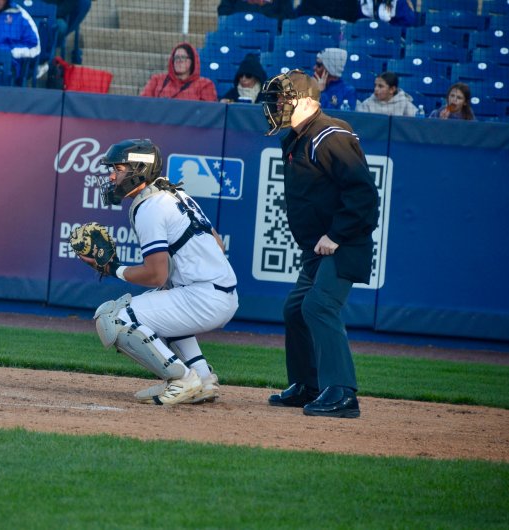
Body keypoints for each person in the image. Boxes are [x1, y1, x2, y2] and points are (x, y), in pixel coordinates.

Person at [82, 139, 238, 405]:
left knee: (113, 317)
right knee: (163, 301)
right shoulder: (173, 193)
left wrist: (112, 268)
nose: (111, 175)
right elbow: (218, 244)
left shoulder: (151, 207)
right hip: (221, 294)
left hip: (204, 297)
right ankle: (203, 379)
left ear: (137, 170)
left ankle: (182, 379)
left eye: (117, 169)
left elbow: (156, 275)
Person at [259, 70, 379, 418]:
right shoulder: (299, 137)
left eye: (284, 98)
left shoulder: (330, 134)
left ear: (308, 100)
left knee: (318, 306)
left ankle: (342, 392)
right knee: (295, 309)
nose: (277, 105)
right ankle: (308, 385)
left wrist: (337, 234)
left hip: (345, 243)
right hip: (318, 248)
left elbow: (363, 195)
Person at [140, 43, 217, 101]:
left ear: (192, 61)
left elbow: (208, 113)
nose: (179, 61)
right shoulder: (157, 79)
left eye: (183, 57)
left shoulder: (205, 85)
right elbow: (143, 103)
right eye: (176, 58)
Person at [216, 0, 294, 20]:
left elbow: (288, 16)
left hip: (270, 35)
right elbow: (223, 11)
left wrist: (264, 20)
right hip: (238, 32)